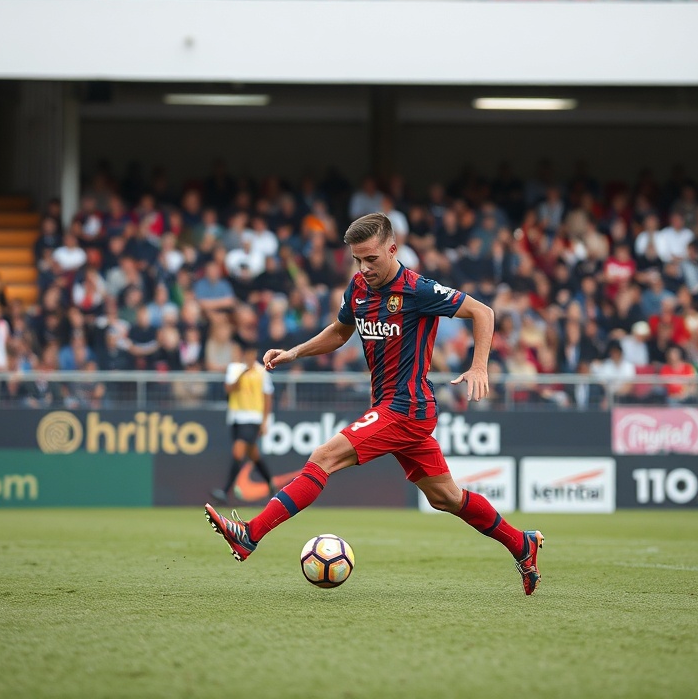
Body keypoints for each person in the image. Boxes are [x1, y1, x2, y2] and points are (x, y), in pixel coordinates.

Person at [205, 213, 545, 596]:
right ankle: (522, 544)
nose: (364, 268)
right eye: (357, 260)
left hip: (406, 408)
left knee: (323, 457)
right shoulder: (358, 287)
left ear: (392, 249)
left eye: (371, 258)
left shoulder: (417, 289)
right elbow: (340, 332)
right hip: (390, 408)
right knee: (446, 497)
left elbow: (483, 312)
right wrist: (294, 353)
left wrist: (479, 366)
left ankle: (249, 535)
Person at [210, 340, 277, 504]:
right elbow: (229, 389)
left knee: (238, 452)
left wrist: (265, 421)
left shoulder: (262, 372)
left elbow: (268, 398)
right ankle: (271, 484)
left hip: (253, 418)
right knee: (253, 454)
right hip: (236, 418)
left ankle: (225, 491)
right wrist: (243, 373)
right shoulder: (235, 369)